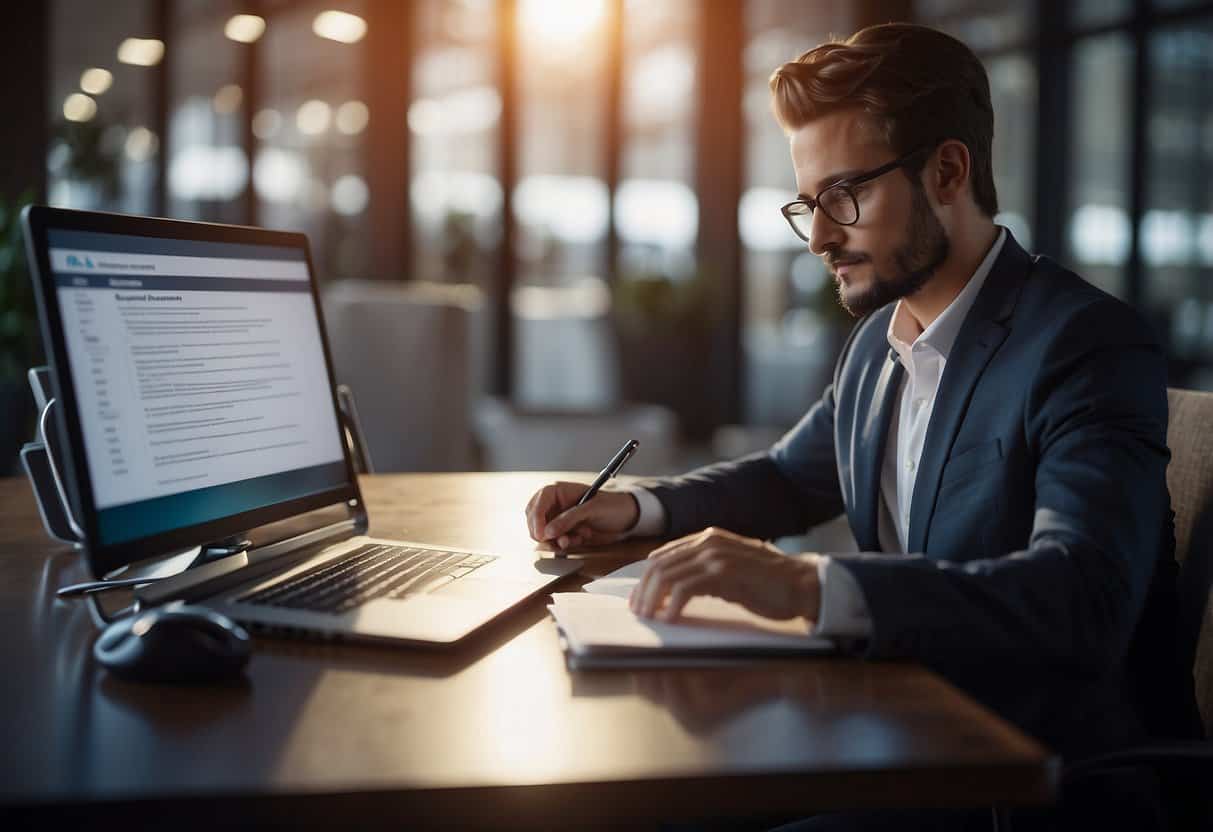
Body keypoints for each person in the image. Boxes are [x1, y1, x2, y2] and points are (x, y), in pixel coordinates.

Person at [525, 22, 1199, 829]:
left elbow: (1079, 599)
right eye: (809, 204)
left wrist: (809, 583)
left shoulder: (1080, 344)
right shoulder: (877, 346)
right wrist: (637, 507)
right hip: (900, 729)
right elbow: (785, 477)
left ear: (946, 170)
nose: (817, 237)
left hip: (1022, 783)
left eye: (844, 196)